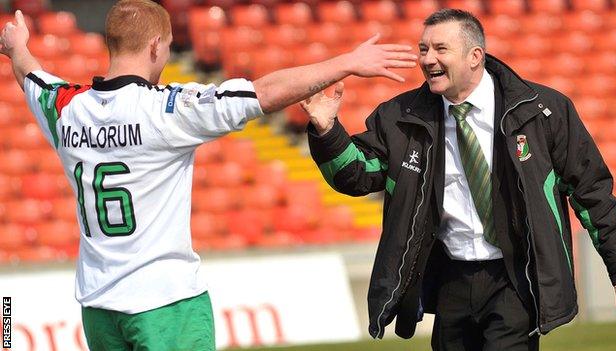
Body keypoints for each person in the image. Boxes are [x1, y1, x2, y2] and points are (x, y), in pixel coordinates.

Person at [0, 1, 418, 350]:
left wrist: (17, 45)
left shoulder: (68, 110)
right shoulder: (166, 110)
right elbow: (265, 93)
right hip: (166, 303)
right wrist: (347, 62)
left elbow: (31, 77)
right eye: (165, 48)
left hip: (97, 307)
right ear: (155, 47)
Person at [301, 8, 616, 351]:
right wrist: (326, 131)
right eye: (423, 49)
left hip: (515, 278)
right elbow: (357, 177)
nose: (427, 59)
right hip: (450, 280)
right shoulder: (399, 117)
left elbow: (592, 193)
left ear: (475, 57)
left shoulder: (543, 110)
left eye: (440, 49)